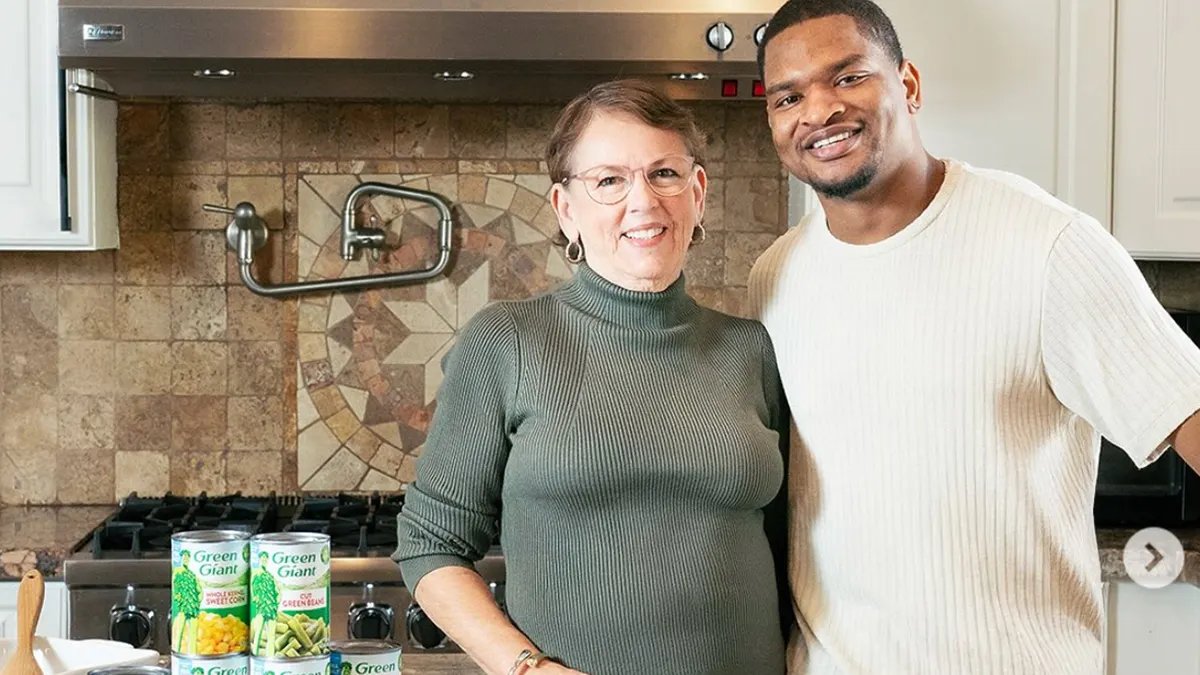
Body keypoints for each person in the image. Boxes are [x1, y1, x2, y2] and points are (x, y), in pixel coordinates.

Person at [749, 1, 1200, 673]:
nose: (818, 110)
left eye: (848, 77)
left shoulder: (1048, 246)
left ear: (908, 85)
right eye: (789, 96)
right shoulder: (774, 277)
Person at [395, 79, 790, 675]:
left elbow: (795, 551)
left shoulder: (751, 348)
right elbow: (431, 546)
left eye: (664, 174)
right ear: (565, 208)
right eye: (609, 180)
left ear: (698, 192)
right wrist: (527, 668)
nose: (644, 203)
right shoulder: (507, 340)